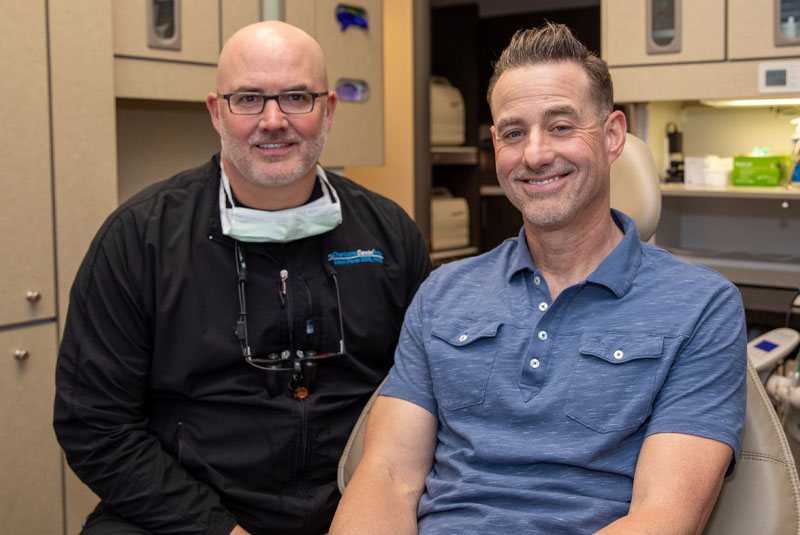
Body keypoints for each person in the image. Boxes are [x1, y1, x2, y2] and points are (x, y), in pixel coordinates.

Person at [330, 22, 747, 535]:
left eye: (561, 126)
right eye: (513, 133)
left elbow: (663, 517)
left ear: (613, 136)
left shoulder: (701, 306)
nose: (534, 155)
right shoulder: (442, 294)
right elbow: (386, 478)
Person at [53, 21, 430, 535]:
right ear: (215, 111)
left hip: (356, 508)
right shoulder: (139, 240)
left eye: (297, 96)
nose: (273, 121)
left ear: (329, 109)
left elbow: (427, 395)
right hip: (185, 514)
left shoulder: (390, 235)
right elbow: (94, 425)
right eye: (248, 98)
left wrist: (371, 510)